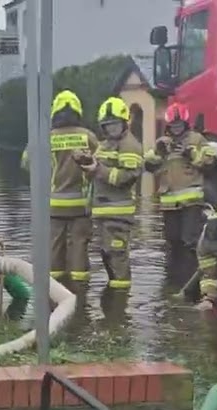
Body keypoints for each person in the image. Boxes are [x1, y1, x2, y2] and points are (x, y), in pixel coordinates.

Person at [22, 90, 99, 282]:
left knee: (54, 248)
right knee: (79, 247)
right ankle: (80, 294)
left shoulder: (44, 137)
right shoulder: (88, 137)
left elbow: (26, 163)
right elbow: (101, 164)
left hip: (53, 204)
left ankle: (54, 293)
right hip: (80, 205)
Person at [77, 96, 143, 294]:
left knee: (117, 254)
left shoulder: (130, 145)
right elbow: (96, 170)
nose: (111, 129)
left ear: (124, 123)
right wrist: (85, 160)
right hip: (103, 211)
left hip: (118, 212)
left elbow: (128, 177)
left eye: (114, 125)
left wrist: (98, 169)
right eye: (107, 126)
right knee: (107, 254)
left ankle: (119, 303)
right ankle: (112, 299)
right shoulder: (105, 145)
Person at [145, 102, 216, 250]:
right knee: (172, 241)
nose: (176, 128)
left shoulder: (197, 139)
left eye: (179, 125)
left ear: (185, 123)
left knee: (189, 240)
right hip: (169, 202)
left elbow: (210, 163)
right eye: (173, 125)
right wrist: (159, 153)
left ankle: (189, 269)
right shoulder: (163, 142)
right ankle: (174, 271)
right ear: (168, 126)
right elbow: (149, 165)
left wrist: (191, 154)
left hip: (191, 201)